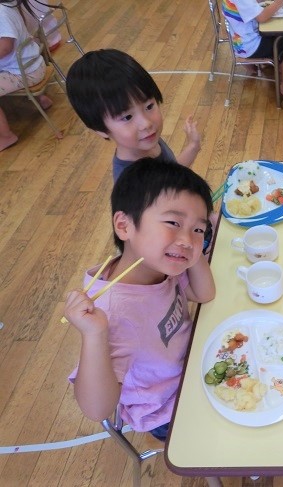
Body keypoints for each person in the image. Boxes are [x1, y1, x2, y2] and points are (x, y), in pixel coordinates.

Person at [65, 159, 215, 440]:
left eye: (199, 229)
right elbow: (97, 409)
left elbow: (204, 293)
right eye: (173, 222)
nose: (187, 239)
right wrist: (94, 335)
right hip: (167, 407)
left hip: (194, 361)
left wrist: (190, 248)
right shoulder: (114, 311)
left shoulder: (155, 264)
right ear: (124, 225)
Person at [66, 49, 201, 182]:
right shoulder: (134, 184)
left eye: (149, 106)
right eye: (127, 117)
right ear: (100, 130)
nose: (146, 123)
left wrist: (193, 146)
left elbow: (173, 176)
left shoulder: (147, 142)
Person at [0, 0, 53, 152]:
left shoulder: (1, 12)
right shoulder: (9, 5)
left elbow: (6, 47)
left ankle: (5, 136)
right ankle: (40, 100)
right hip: (33, 64)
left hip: (25, 72)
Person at [222, 0, 283, 104]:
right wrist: (279, 3)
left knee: (275, 30)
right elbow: (262, 17)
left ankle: (265, 65)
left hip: (239, 42)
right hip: (250, 46)